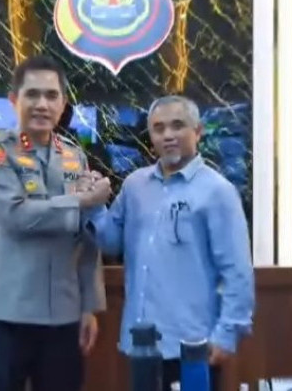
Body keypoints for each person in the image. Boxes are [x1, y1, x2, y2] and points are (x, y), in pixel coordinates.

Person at [82, 95, 255, 391]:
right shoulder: (135, 186)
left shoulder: (218, 192)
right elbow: (110, 242)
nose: (168, 135)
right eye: (158, 128)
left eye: (178, 126)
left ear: (198, 131)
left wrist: (227, 334)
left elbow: (237, 271)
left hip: (193, 346)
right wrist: (94, 206)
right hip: (141, 343)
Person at [0, 54, 112, 391]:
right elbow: (18, 216)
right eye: (32, 94)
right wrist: (81, 200)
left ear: (63, 104)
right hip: (8, 312)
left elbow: (85, 236)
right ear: (13, 100)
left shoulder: (73, 156)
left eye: (51, 96)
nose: (42, 104)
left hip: (64, 314)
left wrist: (89, 306)